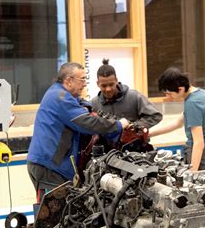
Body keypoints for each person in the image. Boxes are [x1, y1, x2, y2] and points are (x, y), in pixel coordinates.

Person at [27, 62, 129, 192]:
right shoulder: (60, 97)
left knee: (68, 209)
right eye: (82, 79)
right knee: (60, 210)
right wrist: (119, 125)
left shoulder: (59, 93)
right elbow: (87, 123)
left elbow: (80, 103)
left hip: (50, 165)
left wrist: (91, 109)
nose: (85, 83)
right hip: (49, 168)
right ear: (69, 81)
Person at [149, 66, 205, 179]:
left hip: (204, 156)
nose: (168, 97)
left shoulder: (192, 103)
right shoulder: (201, 94)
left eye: (169, 94)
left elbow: (199, 142)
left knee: (199, 192)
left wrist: (192, 174)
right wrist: (148, 134)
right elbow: (178, 123)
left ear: (181, 89)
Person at [91, 59, 162, 128]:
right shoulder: (93, 104)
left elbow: (155, 116)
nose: (108, 89)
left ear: (116, 81)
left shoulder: (134, 97)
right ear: (97, 84)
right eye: (104, 86)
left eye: (111, 84)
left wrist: (134, 127)